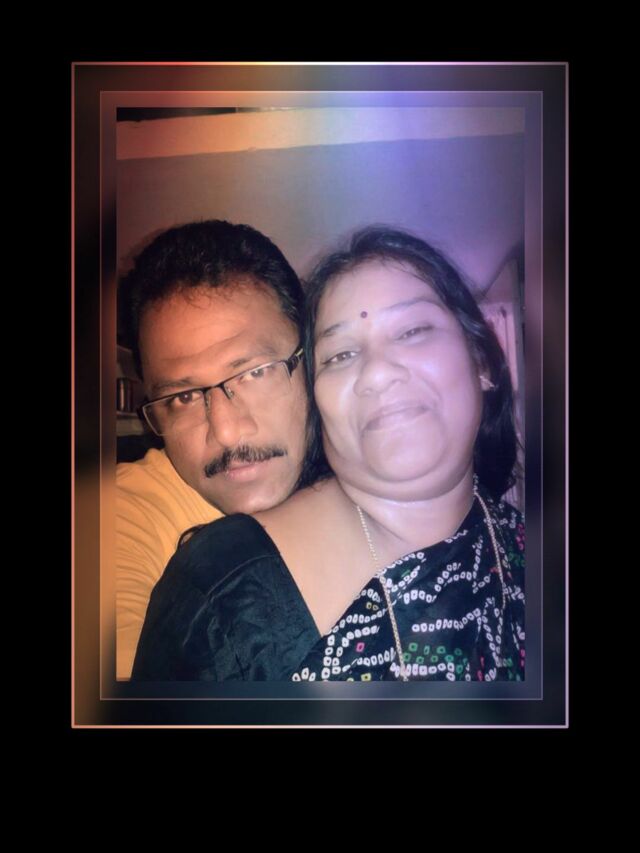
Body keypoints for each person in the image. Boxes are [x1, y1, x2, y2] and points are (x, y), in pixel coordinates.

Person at [131, 226, 525, 682]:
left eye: (413, 330)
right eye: (340, 355)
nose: (225, 431)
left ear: (482, 359)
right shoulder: (213, 591)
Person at [116, 220, 328, 680]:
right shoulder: (120, 515)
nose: (227, 433)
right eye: (183, 397)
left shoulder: (372, 479)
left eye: (255, 372)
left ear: (311, 359)